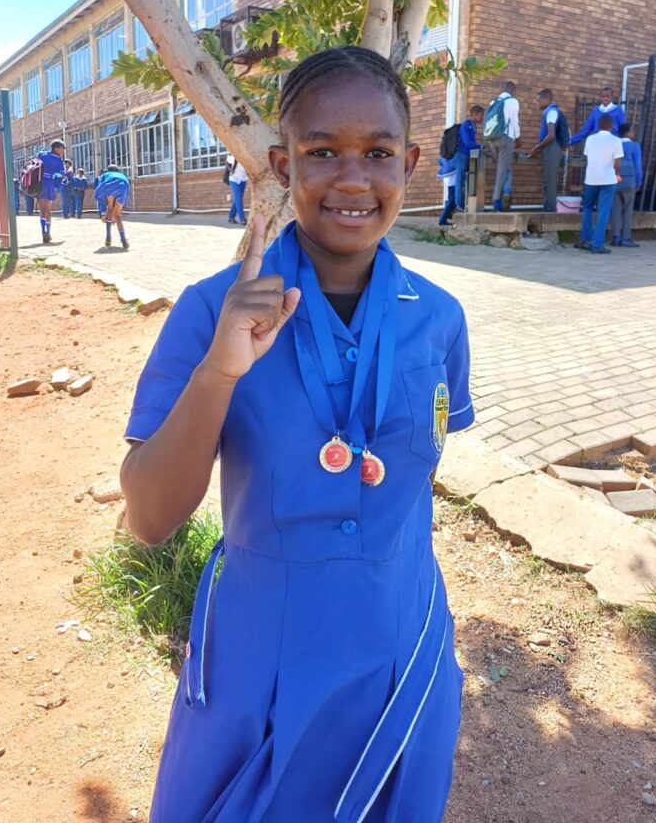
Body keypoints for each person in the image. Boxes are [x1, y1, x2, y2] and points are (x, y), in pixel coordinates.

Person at [120, 46, 474, 823]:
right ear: (283, 166)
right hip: (263, 658)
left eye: (377, 153)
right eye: (322, 153)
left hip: (402, 643)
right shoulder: (212, 310)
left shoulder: (440, 318)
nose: (352, 179)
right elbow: (148, 518)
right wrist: (219, 371)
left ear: (410, 163)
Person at [575, 113, 623, 254]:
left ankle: (585, 239)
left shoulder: (590, 139)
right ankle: (597, 245)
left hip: (591, 179)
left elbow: (588, 157)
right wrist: (614, 172)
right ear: (612, 126)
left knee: (587, 208)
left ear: (598, 125)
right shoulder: (616, 140)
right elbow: (618, 164)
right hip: (608, 180)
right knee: (603, 211)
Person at [483, 81, 520, 211]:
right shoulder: (513, 101)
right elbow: (514, 121)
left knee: (505, 166)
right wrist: (518, 137)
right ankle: (497, 201)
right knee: (502, 170)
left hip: (492, 139)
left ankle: (507, 190)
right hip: (505, 138)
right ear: (512, 91)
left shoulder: (493, 101)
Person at [529, 88, 565, 213]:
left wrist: (537, 148)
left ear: (546, 99)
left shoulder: (551, 112)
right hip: (550, 147)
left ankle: (550, 212)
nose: (537, 103)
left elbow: (551, 135)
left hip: (552, 147)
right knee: (547, 181)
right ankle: (547, 209)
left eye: (538, 100)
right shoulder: (549, 112)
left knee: (550, 182)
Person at [611, 122, 643, 248]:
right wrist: (639, 182)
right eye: (633, 130)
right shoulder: (635, 146)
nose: (634, 133)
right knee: (628, 209)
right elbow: (638, 166)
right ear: (628, 132)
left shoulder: (614, 144)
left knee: (615, 209)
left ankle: (615, 238)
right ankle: (625, 239)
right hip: (629, 180)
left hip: (615, 179)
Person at [452, 104, 485, 211]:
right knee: (460, 179)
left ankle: (465, 204)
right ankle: (458, 204)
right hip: (461, 155)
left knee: (466, 179)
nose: (482, 118)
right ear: (475, 114)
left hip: (467, 155)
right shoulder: (466, 126)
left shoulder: (473, 126)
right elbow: (468, 143)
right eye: (481, 115)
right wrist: (480, 146)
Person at [94, 164, 130, 249]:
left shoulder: (105, 175)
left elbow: (101, 194)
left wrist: (102, 212)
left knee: (110, 208)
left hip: (109, 184)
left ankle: (108, 238)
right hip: (123, 185)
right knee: (117, 215)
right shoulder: (122, 175)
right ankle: (123, 240)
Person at [38, 141, 66, 243]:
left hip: (40, 184)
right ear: (56, 148)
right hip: (50, 184)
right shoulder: (58, 160)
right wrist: (60, 181)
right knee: (48, 210)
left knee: (42, 210)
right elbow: (62, 175)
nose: (62, 152)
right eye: (62, 149)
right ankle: (48, 233)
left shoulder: (42, 155)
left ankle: (43, 232)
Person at [226, 155, 248, 225]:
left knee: (238, 199)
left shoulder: (246, 156)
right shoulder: (234, 154)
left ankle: (231, 217)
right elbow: (226, 162)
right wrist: (231, 170)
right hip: (234, 179)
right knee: (238, 199)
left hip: (243, 179)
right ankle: (242, 219)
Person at [437, 156, 457, 225]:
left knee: (452, 198)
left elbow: (439, 162)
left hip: (446, 176)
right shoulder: (453, 152)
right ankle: (442, 220)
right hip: (452, 176)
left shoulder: (443, 154)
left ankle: (448, 213)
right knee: (452, 199)